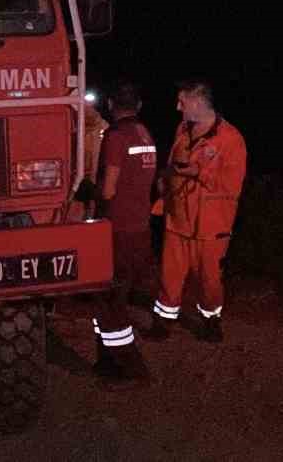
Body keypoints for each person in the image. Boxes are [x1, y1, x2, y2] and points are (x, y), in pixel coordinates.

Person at [144, 79, 247, 343]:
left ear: (199, 102)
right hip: (178, 218)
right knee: (170, 273)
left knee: (210, 279)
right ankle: (164, 321)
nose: (178, 107)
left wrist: (197, 172)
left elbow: (232, 185)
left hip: (211, 225)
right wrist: (163, 182)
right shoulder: (183, 129)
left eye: (182, 101)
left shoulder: (231, 139)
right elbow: (172, 164)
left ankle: (211, 321)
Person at [86, 81, 157, 387]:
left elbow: (109, 189)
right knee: (116, 294)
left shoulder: (115, 137)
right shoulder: (145, 134)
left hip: (117, 229)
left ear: (112, 106)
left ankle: (132, 368)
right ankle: (107, 360)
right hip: (140, 227)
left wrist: (88, 192)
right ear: (138, 106)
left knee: (109, 299)